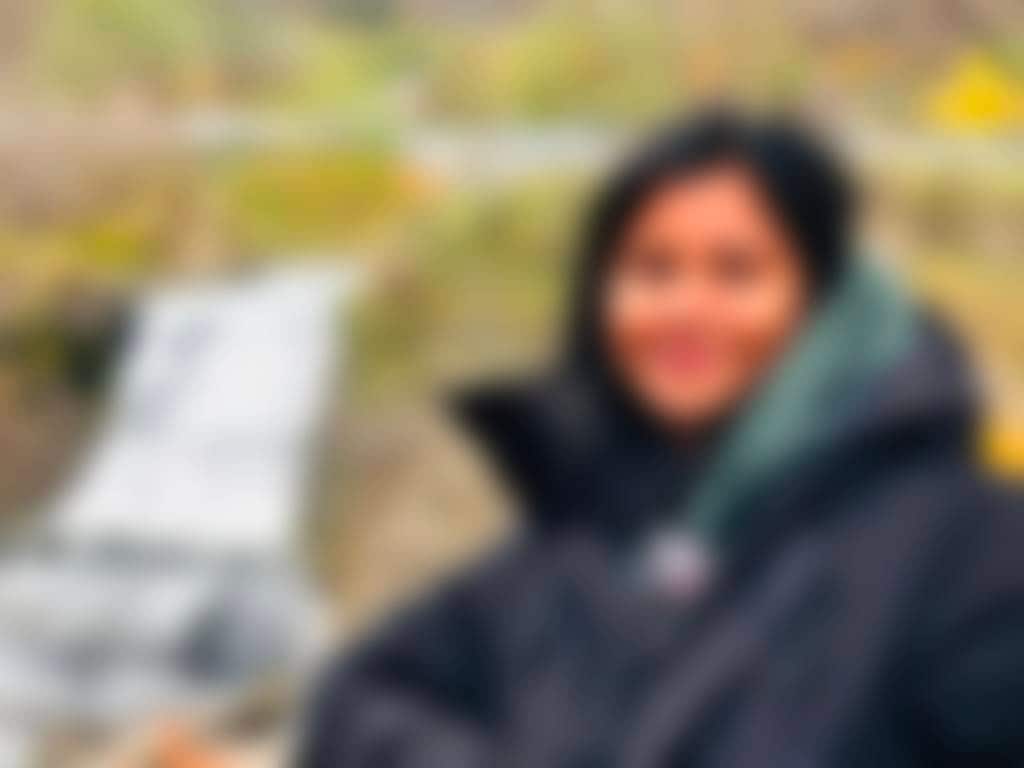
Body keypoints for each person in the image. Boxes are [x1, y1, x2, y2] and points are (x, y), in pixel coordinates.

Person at [299, 111, 1024, 767]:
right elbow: (360, 701)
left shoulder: (968, 554)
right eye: (652, 270)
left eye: (737, 272)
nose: (685, 309)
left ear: (826, 301)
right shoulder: (577, 544)